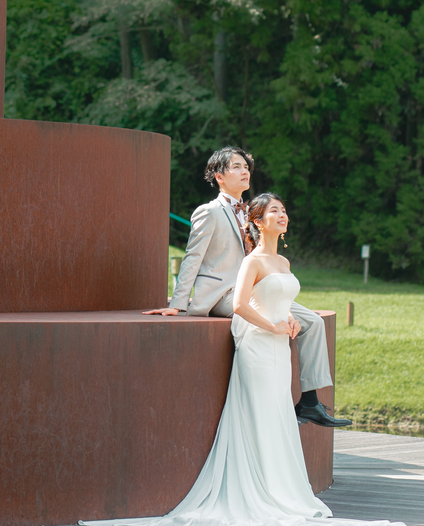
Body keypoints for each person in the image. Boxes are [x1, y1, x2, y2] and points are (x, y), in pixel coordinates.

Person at [81, 192, 404, 526]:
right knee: (260, 413)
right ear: (258, 221)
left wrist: (290, 323)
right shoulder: (253, 261)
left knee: (278, 413)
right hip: (258, 347)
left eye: (284, 211)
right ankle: (261, 493)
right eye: (275, 211)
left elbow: (277, 302)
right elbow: (239, 306)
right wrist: (274, 326)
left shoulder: (284, 264)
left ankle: (283, 491)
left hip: (279, 346)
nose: (282, 216)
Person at [146, 147, 351, 429]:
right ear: (219, 176)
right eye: (237, 167)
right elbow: (193, 257)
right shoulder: (209, 212)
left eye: (247, 167)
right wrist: (178, 304)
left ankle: (310, 402)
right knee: (278, 319)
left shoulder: (255, 211)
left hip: (258, 291)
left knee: (313, 322)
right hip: (225, 295)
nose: (245, 172)